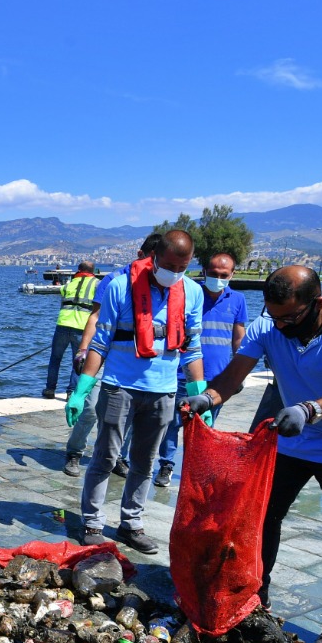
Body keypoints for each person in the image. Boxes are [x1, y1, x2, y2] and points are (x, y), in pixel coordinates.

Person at [183, 265, 322, 643]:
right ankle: (256, 597)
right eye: (274, 316)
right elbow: (233, 378)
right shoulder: (268, 327)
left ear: (317, 303)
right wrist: (206, 398)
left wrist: (311, 410)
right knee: (259, 518)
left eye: (289, 317)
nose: (280, 325)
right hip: (292, 442)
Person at [63, 229, 205, 555]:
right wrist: (81, 389)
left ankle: (132, 524)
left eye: (181, 268)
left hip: (164, 392)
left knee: (145, 461)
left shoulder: (193, 294)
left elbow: (192, 350)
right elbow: (100, 343)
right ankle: (93, 523)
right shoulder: (118, 287)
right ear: (154, 258)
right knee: (106, 456)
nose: (174, 274)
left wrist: (202, 395)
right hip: (119, 388)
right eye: (168, 265)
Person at [61, 233, 162, 478]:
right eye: (151, 261)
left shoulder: (160, 284)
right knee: (91, 408)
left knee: (129, 414)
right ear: (140, 255)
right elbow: (94, 317)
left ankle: (118, 456)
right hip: (105, 354)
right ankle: (75, 451)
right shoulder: (114, 280)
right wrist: (83, 350)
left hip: (136, 359)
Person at [151, 251, 248, 486]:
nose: (218, 278)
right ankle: (166, 465)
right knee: (174, 422)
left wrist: (239, 372)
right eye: (213, 273)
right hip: (184, 373)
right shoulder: (190, 295)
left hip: (219, 378)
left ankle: (196, 468)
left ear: (232, 274)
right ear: (204, 272)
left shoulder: (238, 300)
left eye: (224, 274)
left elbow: (239, 337)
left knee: (206, 426)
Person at [43, 261, 99, 399]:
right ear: (93, 271)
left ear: (79, 270)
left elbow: (63, 295)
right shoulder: (97, 284)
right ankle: (71, 392)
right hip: (81, 327)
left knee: (55, 359)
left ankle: (50, 389)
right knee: (78, 360)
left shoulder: (69, 283)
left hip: (63, 324)